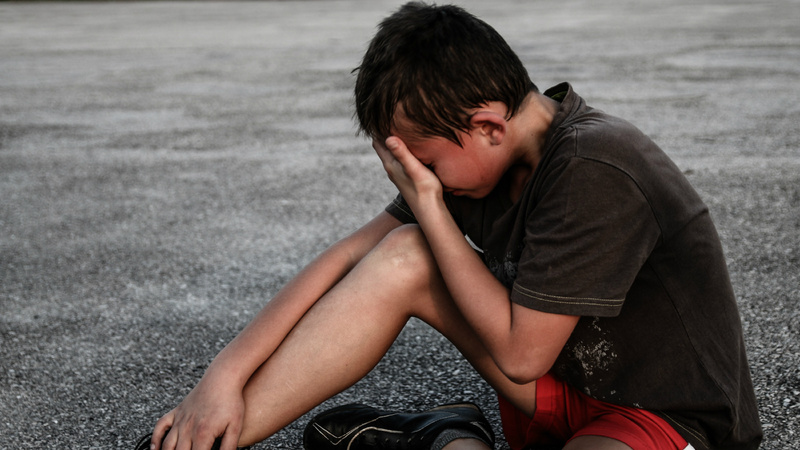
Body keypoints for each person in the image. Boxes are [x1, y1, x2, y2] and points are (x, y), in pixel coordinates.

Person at [137, 2, 763, 450]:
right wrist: (222, 378)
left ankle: (448, 437)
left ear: (488, 125)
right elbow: (346, 261)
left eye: (427, 165)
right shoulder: (479, 163)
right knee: (403, 254)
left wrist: (432, 207)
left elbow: (521, 355)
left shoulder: (595, 166)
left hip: (666, 419)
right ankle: (200, 443)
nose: (421, 181)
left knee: (421, 236)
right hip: (557, 395)